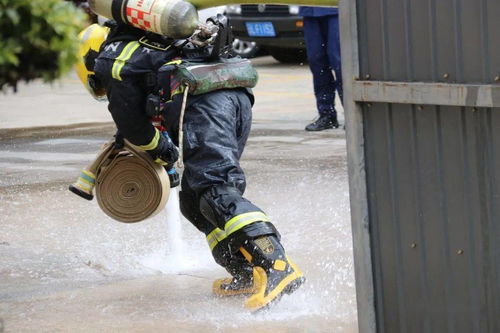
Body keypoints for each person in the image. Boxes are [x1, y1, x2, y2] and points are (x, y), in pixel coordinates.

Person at [82, 19, 305, 311]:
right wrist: (165, 152)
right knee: (194, 198)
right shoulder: (148, 44)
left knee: (214, 187)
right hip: (231, 98)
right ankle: (247, 271)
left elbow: (134, 126)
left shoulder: (112, 59)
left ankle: (276, 264)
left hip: (208, 106)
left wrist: (162, 151)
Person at [300, 6, 343, 131]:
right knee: (317, 61)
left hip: (336, 10)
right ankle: (326, 114)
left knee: (339, 62)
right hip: (310, 11)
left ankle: (352, 115)